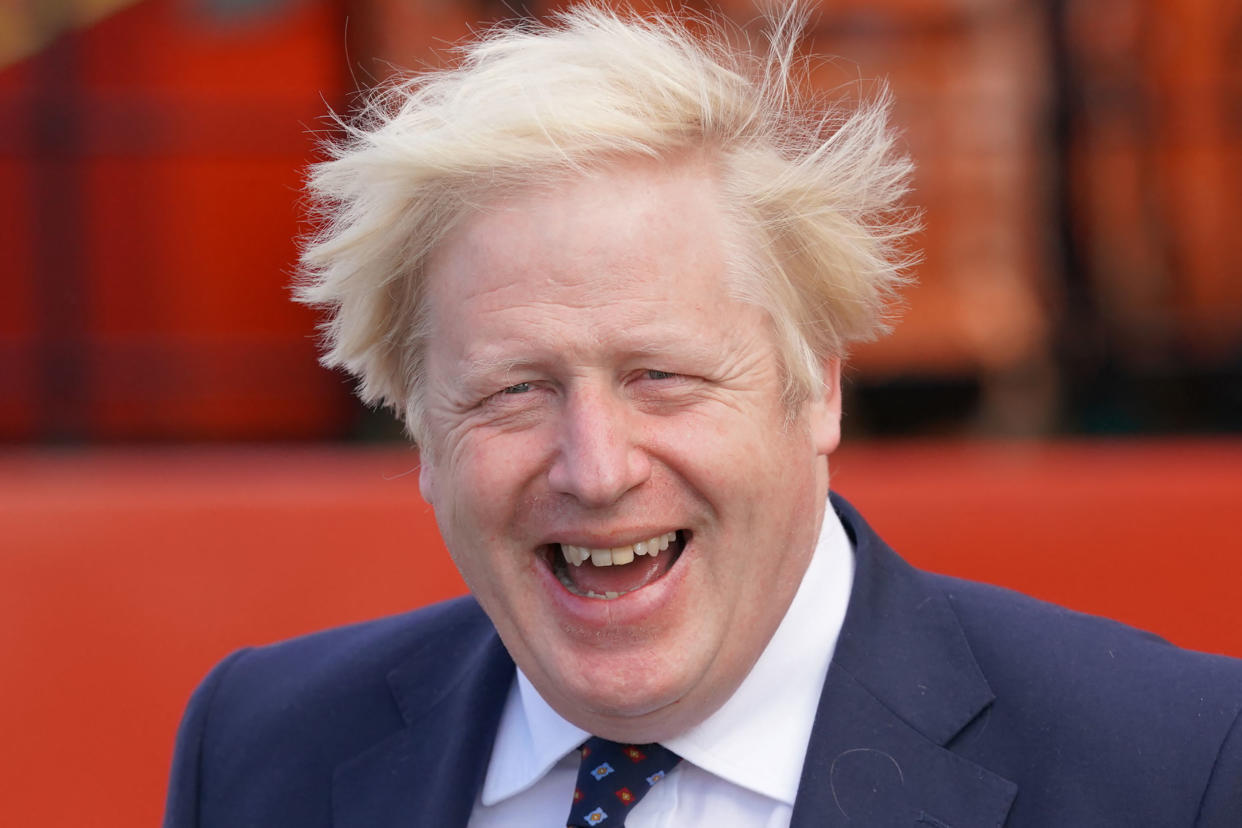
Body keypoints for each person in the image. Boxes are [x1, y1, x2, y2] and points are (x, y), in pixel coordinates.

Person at [163, 5, 1242, 826]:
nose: (595, 468)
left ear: (815, 385)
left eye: (661, 377)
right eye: (513, 391)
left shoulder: (1173, 767)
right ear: (421, 436)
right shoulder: (262, 752)